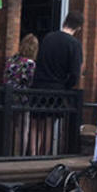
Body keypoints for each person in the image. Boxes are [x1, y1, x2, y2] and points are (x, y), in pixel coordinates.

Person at [31, 11, 84, 155]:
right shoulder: (74, 44)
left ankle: (32, 154)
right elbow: (75, 73)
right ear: (79, 27)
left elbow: (39, 61)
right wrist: (66, 87)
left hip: (38, 86)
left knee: (35, 124)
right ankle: (42, 156)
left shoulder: (48, 37)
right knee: (49, 125)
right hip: (56, 89)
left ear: (65, 21)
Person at [3, 33, 38, 155]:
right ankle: (20, 154)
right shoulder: (30, 63)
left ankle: (8, 152)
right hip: (23, 98)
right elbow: (30, 81)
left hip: (8, 97)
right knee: (23, 128)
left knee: (11, 127)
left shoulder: (11, 60)